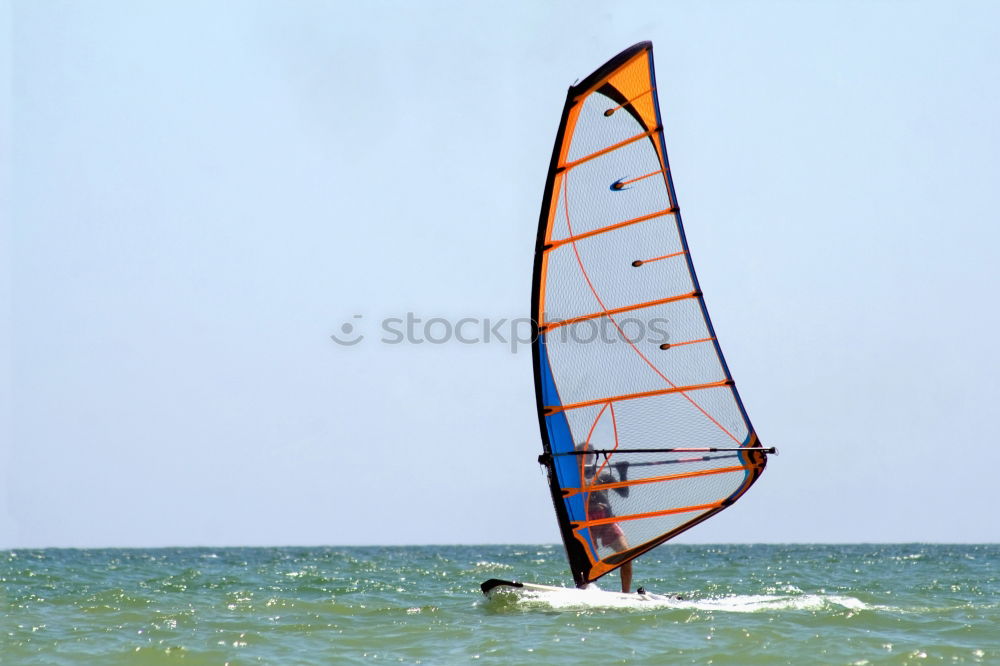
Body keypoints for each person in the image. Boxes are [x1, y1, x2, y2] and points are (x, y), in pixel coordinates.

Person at [577, 442, 633, 593]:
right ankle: (583, 590)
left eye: (589, 453)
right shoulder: (571, 476)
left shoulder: (603, 474)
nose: (587, 456)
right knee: (587, 563)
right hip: (586, 525)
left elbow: (623, 493)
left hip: (606, 520)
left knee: (626, 555)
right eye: (582, 453)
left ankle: (626, 594)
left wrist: (622, 473)